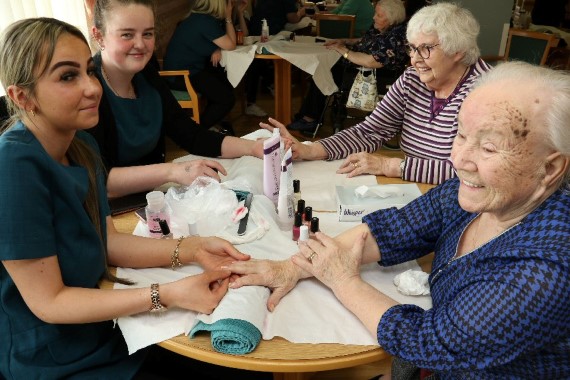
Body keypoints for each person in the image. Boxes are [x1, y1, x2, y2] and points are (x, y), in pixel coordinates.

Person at [226, 61, 570, 378]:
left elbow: (428, 341)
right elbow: (395, 229)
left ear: (550, 168)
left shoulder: (545, 271)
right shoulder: (484, 194)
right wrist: (294, 267)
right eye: (462, 134)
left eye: (490, 148)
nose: (459, 158)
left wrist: (344, 281)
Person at [0, 16, 273, 379]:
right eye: (68, 76)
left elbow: (108, 241)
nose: (92, 88)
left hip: (104, 325)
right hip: (53, 354)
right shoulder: (14, 167)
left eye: (88, 71)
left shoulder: (80, 144)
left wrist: (191, 248)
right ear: (22, 96)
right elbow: (50, 302)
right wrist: (168, 294)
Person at [268, 2, 491, 185]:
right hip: (416, 189)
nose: (414, 59)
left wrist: (389, 165)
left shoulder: (485, 93)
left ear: (457, 51)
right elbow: (370, 132)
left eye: (426, 48)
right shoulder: (413, 80)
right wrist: (310, 149)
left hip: (465, 203)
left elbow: (471, 169)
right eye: (412, 48)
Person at [89, 0, 265, 200]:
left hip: (151, 199)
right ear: (99, 36)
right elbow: (98, 181)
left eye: (147, 33)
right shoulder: (87, 91)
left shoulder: (147, 75)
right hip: (110, 213)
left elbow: (191, 135)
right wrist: (172, 171)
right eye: (127, 34)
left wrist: (252, 147)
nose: (140, 44)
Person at [288, 0, 408, 134]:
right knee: (324, 68)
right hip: (358, 68)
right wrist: (344, 41)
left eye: (379, 15)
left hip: (372, 76)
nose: (374, 17)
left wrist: (344, 51)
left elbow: (371, 61)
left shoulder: (393, 38)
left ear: (391, 20)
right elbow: (364, 41)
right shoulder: (383, 29)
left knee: (324, 71)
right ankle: (308, 113)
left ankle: (310, 119)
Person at [163, 0, 237, 131]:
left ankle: (208, 124)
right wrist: (228, 17)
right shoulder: (206, 22)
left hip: (188, 70)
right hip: (180, 76)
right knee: (226, 99)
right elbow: (231, 45)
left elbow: (219, 42)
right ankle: (197, 130)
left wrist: (217, 49)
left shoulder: (199, 18)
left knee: (223, 81)